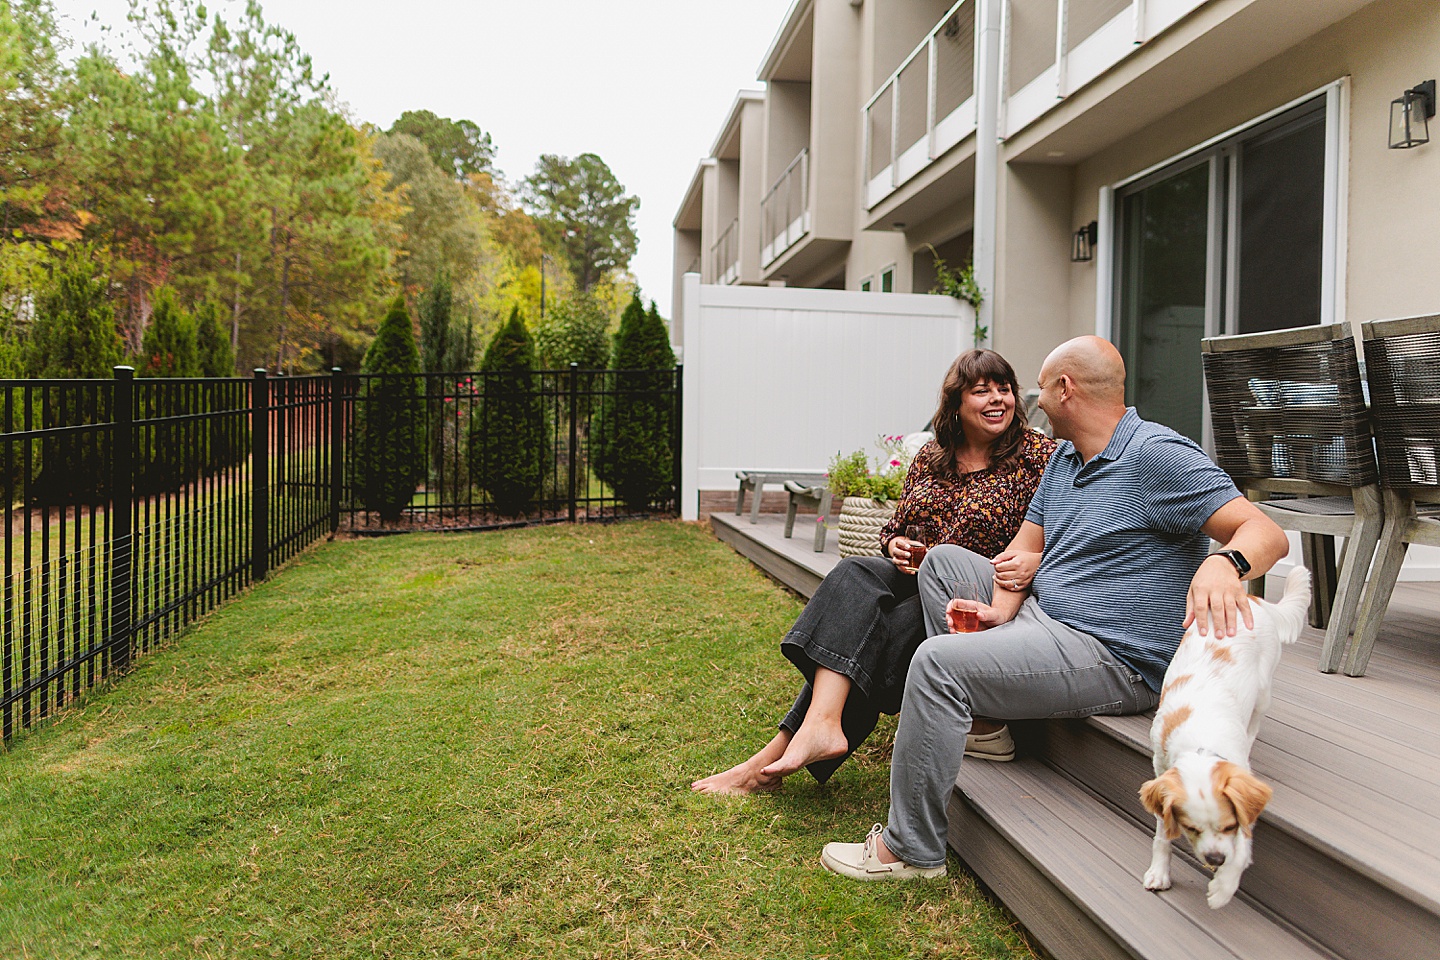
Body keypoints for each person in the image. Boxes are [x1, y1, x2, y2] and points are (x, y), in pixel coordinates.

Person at [818, 335, 1291, 880]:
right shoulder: (1065, 457)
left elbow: (1265, 532)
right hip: (1044, 614)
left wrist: (1224, 563)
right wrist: (1001, 609)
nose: (1035, 400)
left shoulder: (1159, 457)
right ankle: (986, 725)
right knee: (943, 562)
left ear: (1065, 389)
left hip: (1111, 654)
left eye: (1040, 388)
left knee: (936, 663)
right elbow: (1022, 549)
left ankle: (908, 852)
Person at [692, 349, 1057, 796]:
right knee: (853, 574)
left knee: (882, 631)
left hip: (975, 593)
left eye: (1004, 389)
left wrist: (1034, 561)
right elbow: (896, 527)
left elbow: (1066, 529)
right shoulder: (933, 456)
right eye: (982, 391)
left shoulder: (1038, 455)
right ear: (956, 403)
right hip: (917, 575)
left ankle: (768, 760)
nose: (998, 399)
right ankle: (821, 725)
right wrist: (895, 544)